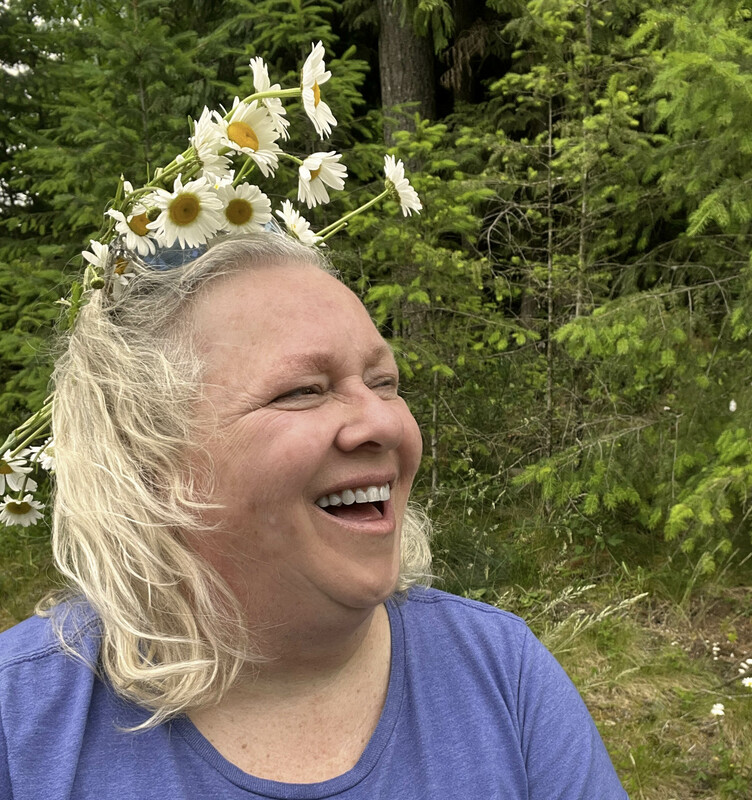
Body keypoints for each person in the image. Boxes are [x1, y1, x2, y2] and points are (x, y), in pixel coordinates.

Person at [0, 232, 628, 799]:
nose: (385, 421)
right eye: (303, 391)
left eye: (384, 382)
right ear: (144, 459)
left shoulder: (501, 674)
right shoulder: (21, 722)